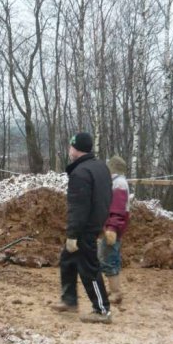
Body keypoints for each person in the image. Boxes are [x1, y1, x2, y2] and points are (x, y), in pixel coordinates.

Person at [52, 132, 113, 324]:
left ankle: (102, 309)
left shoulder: (80, 174)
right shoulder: (101, 167)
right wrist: (103, 223)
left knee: (89, 268)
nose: (69, 150)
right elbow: (105, 198)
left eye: (71, 147)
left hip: (84, 229)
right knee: (67, 260)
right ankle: (69, 300)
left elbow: (78, 208)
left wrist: (72, 235)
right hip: (94, 224)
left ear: (75, 149)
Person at [99, 155, 130, 304]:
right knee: (108, 257)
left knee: (108, 258)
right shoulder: (117, 182)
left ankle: (115, 293)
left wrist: (111, 228)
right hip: (113, 226)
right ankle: (113, 290)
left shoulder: (119, 184)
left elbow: (118, 209)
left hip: (113, 228)